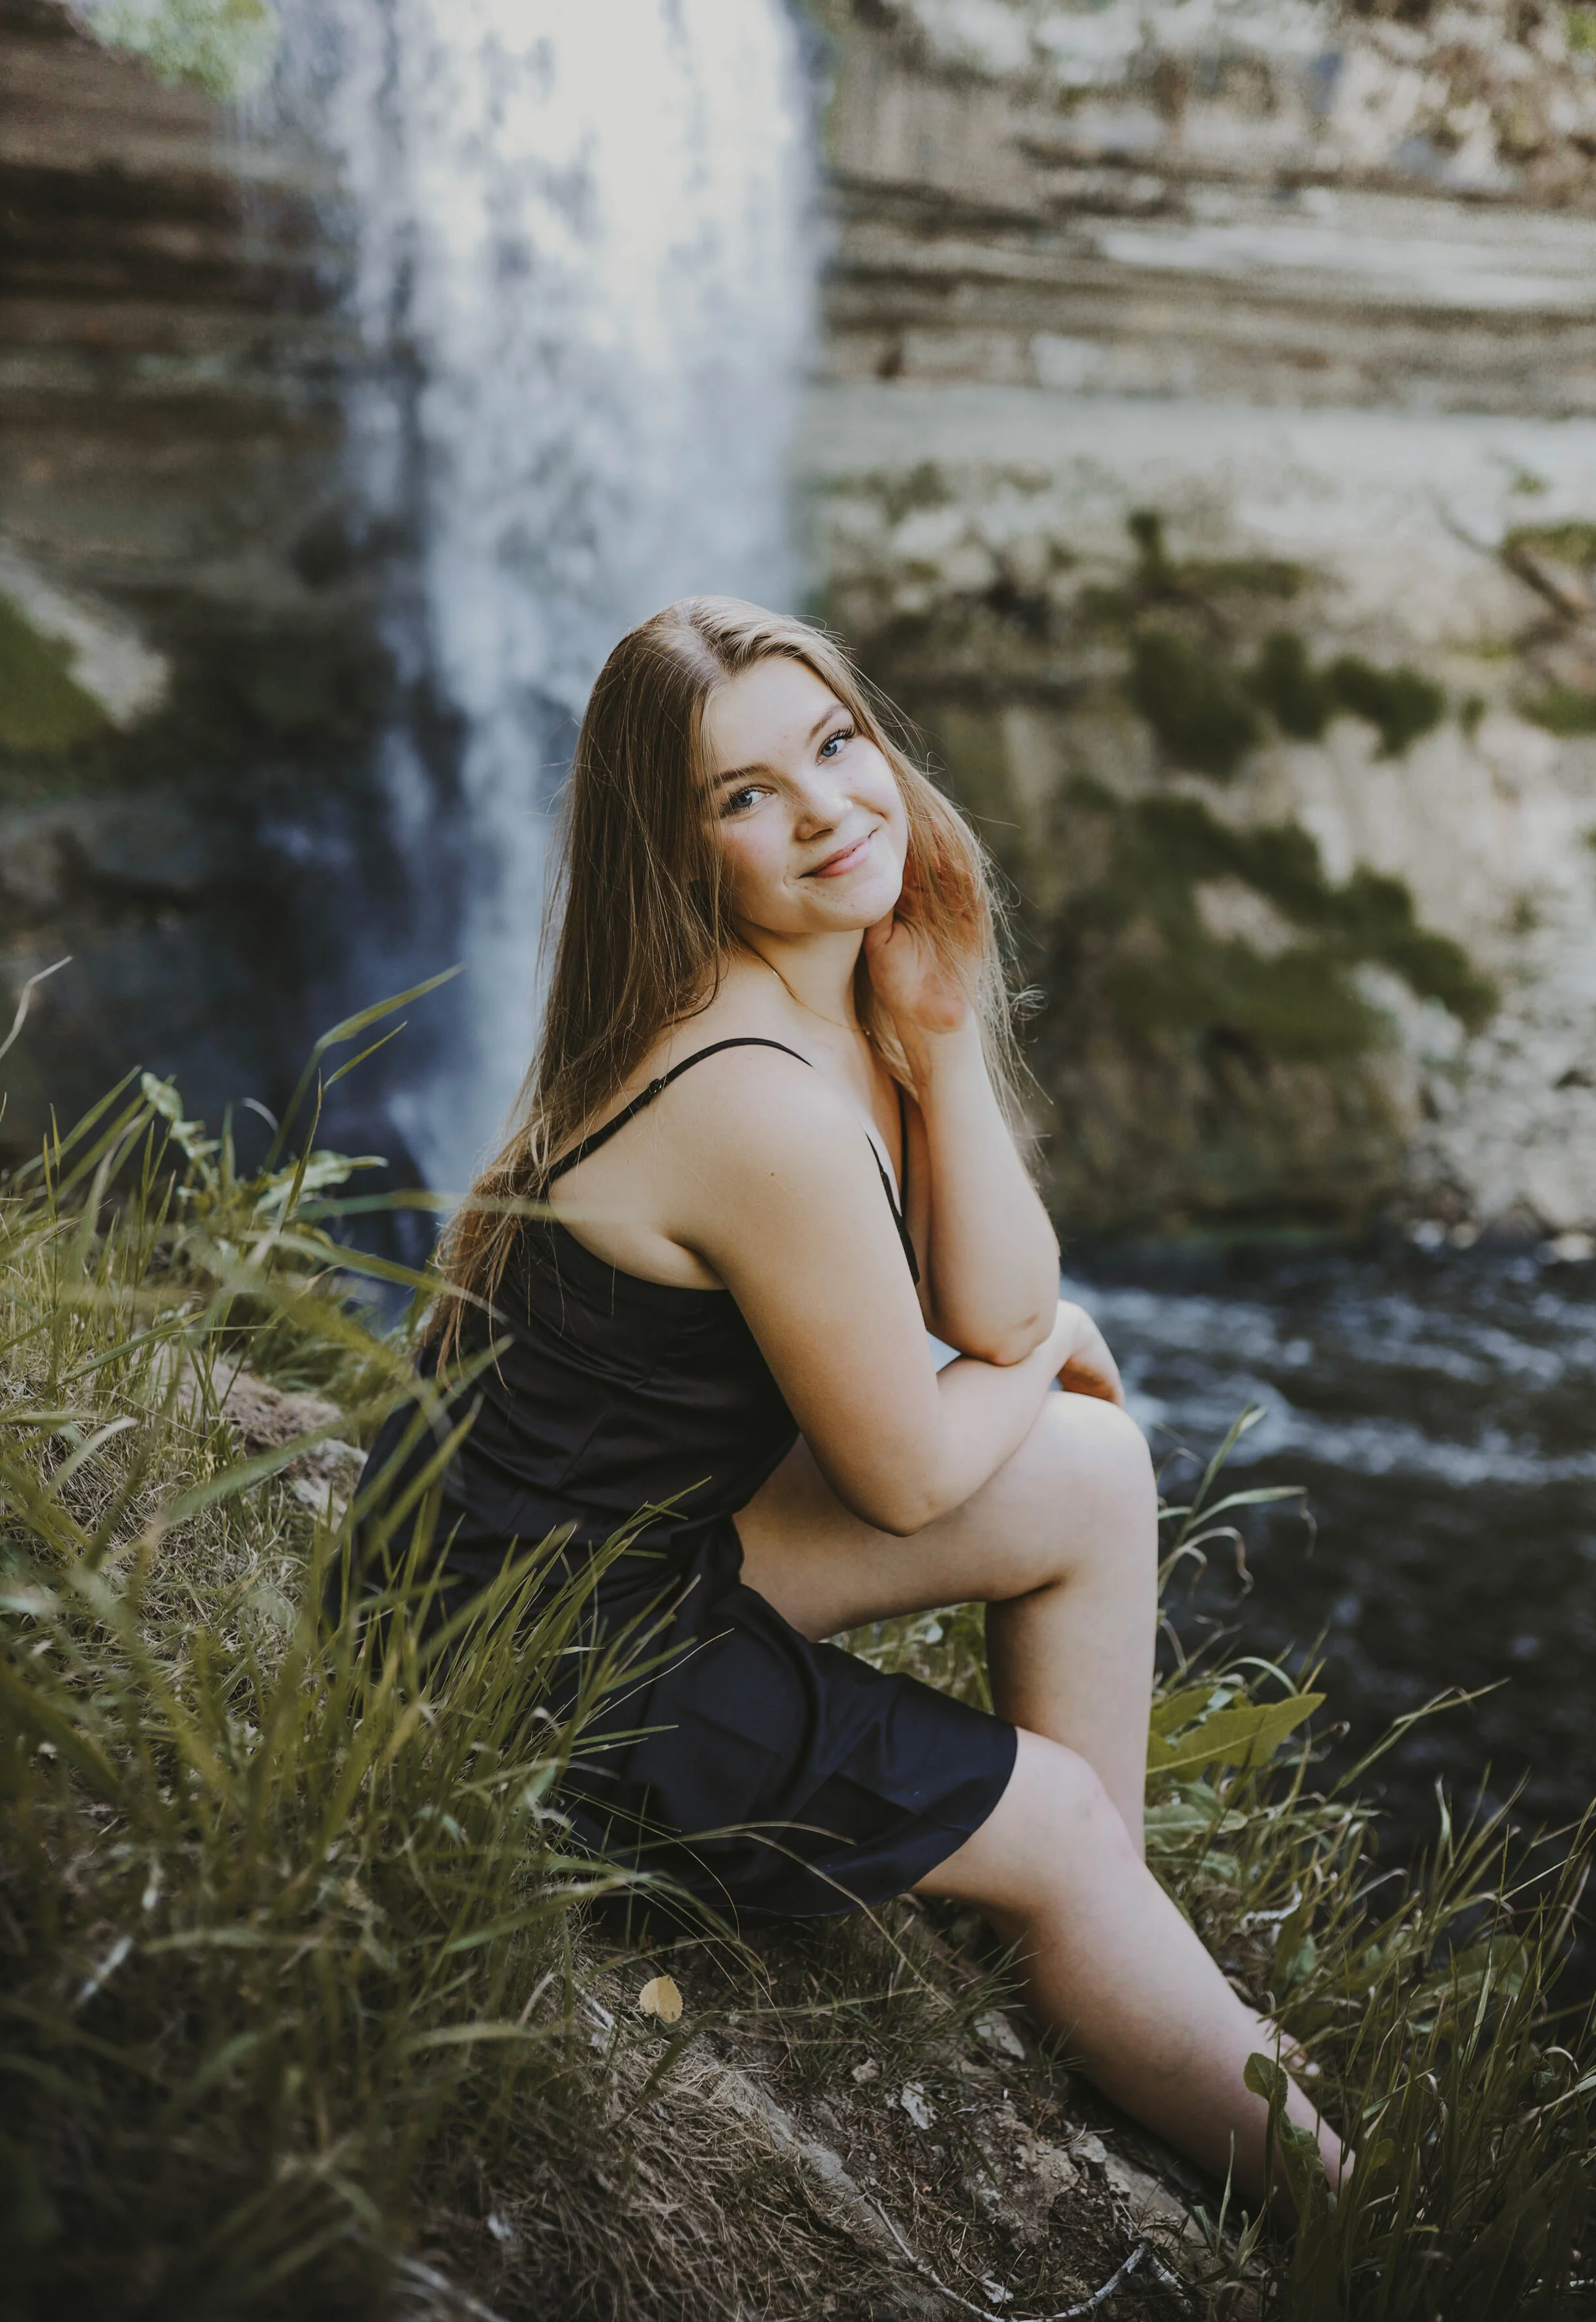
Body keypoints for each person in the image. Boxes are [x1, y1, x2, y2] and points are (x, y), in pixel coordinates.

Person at [351, 595, 1346, 2206]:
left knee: (1090, 1473)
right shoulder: (752, 1099)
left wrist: (941, 1045)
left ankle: (1108, 1946)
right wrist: (1051, 1340)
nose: (824, 808)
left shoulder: (833, 1000)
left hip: (609, 1547)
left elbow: (990, 1310)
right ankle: (1351, 2222)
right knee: (1054, 1815)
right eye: (745, 795)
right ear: (677, 857)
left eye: (834, 743)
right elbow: (908, 1475)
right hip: (520, 1655)